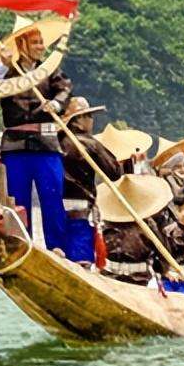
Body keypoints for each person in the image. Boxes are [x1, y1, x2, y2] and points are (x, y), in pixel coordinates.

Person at [0, 16, 73, 254]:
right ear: (23, 45)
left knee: (52, 198)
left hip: (46, 145)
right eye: (36, 42)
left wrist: (56, 105)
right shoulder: (6, 72)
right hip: (15, 147)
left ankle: (57, 249)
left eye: (41, 42)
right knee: (17, 201)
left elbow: (64, 90)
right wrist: (5, 68)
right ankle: (20, 245)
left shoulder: (50, 69)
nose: (41, 47)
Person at [57, 95, 121, 265]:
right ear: (79, 120)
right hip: (80, 213)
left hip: (54, 212)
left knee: (59, 257)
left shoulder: (54, 142)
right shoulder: (88, 143)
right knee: (81, 263)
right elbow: (114, 172)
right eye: (89, 116)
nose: (92, 121)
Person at [98, 174, 172, 286]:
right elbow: (164, 258)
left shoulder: (147, 226)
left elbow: (163, 256)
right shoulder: (107, 224)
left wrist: (160, 269)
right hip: (110, 278)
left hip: (137, 280)